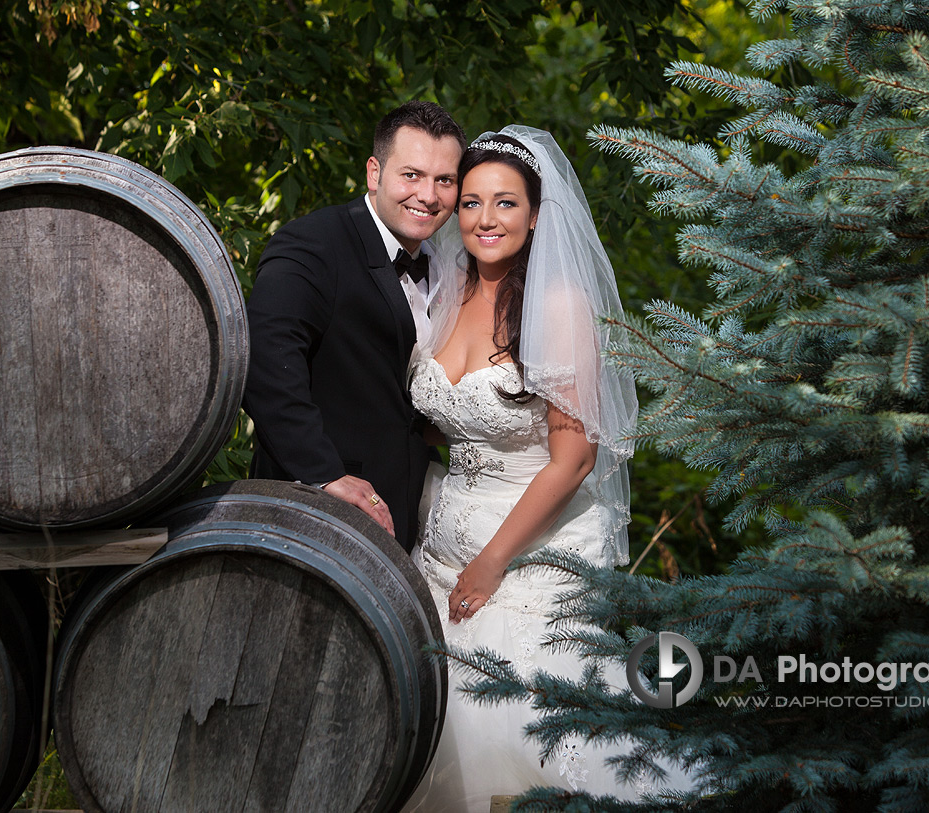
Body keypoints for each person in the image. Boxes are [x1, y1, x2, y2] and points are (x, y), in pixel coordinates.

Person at [402, 126, 691, 809]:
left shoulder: (558, 308)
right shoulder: (445, 290)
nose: (485, 219)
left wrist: (493, 561)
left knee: (522, 734)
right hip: (438, 544)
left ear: (535, 214)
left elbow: (574, 458)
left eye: (505, 203)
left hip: (526, 547)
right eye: (470, 202)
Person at [243, 101, 466, 551]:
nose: (428, 195)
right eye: (412, 175)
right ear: (374, 173)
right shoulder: (314, 244)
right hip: (311, 512)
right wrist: (323, 474)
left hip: (410, 514)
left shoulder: (447, 266)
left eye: (444, 180)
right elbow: (264, 365)